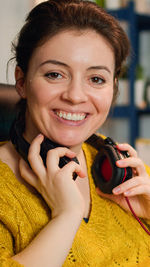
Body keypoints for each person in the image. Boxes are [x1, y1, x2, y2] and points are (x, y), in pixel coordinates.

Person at [0, 0, 150, 266]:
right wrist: (67, 215)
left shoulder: (118, 164)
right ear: (22, 82)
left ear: (113, 88)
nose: (75, 96)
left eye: (96, 79)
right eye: (55, 74)